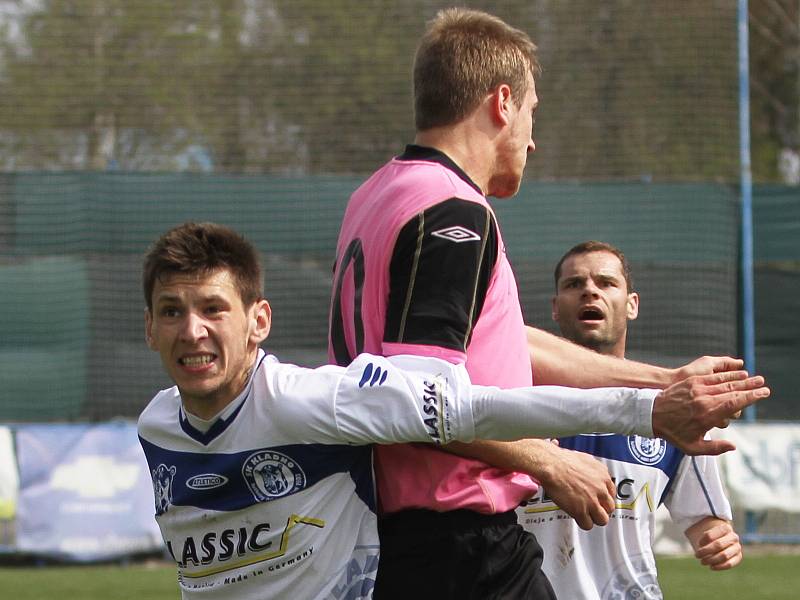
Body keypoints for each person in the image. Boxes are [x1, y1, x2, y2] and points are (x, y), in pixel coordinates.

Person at [327, 7, 758, 599]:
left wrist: (664, 382)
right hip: (458, 540)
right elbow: (413, 401)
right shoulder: (452, 213)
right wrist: (545, 460)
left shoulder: (378, 194)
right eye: (531, 113)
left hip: (426, 536)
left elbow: (503, 346)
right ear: (502, 103)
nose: (532, 138)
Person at [138, 223, 764, 599]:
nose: (192, 331)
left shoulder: (314, 401)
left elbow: (465, 410)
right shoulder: (156, 428)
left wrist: (646, 407)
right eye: (172, 311)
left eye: (213, 309)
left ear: (259, 321)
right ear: (149, 328)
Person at [519, 241, 743, 599]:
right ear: (555, 308)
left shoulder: (670, 411)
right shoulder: (512, 404)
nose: (589, 290)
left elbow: (705, 522)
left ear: (632, 304)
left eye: (606, 283)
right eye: (574, 284)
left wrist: (717, 537)